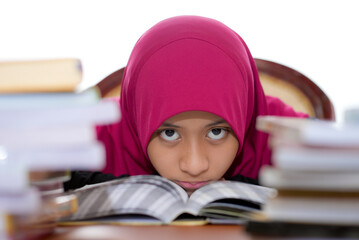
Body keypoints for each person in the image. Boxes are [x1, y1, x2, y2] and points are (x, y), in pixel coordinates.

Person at [64, 15, 307, 193]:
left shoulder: (287, 136)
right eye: (169, 133)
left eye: (216, 132)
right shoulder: (84, 140)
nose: (194, 166)